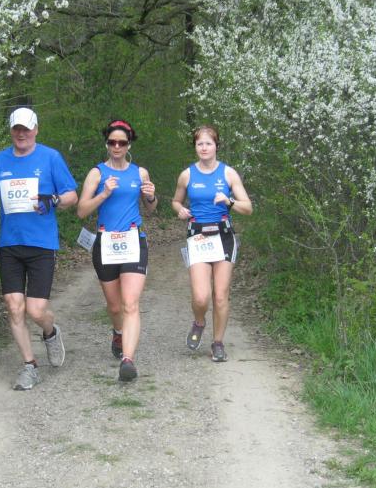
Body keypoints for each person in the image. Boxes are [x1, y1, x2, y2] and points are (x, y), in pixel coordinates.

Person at [0, 107, 78, 390]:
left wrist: (53, 200)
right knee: (14, 307)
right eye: (16, 129)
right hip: (10, 243)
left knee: (36, 311)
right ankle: (29, 365)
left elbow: (72, 195)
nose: (21, 133)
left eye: (26, 128)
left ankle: (50, 332)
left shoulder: (50, 157)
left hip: (41, 244)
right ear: (11, 131)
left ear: (36, 129)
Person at [77, 119, 157, 381]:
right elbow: (81, 211)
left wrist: (151, 196)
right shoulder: (97, 173)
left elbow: (151, 208)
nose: (117, 146)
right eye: (112, 142)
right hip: (106, 243)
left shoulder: (140, 173)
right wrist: (103, 194)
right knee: (114, 307)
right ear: (107, 144)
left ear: (129, 145)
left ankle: (128, 360)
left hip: (134, 241)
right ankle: (118, 332)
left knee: (130, 303)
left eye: (122, 142)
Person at [171, 125, 252, 362]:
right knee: (201, 297)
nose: (204, 148)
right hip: (198, 237)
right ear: (195, 147)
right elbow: (176, 201)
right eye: (200, 144)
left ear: (216, 146)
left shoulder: (229, 174)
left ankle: (217, 343)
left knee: (220, 295)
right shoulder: (187, 175)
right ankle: (199, 321)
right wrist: (180, 210)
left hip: (223, 237)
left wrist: (229, 201)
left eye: (208, 143)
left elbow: (248, 208)